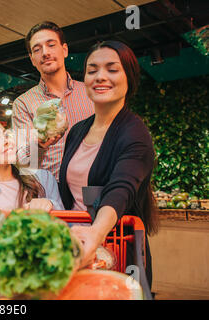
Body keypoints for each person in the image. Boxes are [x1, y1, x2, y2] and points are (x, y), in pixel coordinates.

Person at [58, 40, 158, 287]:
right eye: (92, 70)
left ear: (129, 77)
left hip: (117, 252)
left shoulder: (135, 133)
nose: (100, 77)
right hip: (75, 249)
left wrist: (95, 233)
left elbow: (121, 188)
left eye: (112, 69)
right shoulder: (78, 130)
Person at [12, 21, 94, 181]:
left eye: (51, 45)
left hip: (91, 186)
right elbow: (24, 163)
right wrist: (41, 144)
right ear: (32, 59)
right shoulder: (23, 104)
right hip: (50, 192)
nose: (45, 53)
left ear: (64, 50)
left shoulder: (90, 93)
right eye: (37, 49)